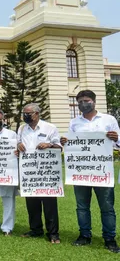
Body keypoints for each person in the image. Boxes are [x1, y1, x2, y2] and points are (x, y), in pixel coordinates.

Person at [60, 90, 120, 253]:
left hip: (102, 172)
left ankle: (109, 238)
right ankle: (84, 235)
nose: (82, 104)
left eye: (86, 100)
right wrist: (65, 141)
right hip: (81, 172)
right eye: (79, 101)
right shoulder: (74, 122)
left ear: (94, 101)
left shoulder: (109, 119)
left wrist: (116, 138)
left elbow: (119, 142)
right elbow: (72, 145)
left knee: (107, 206)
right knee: (81, 206)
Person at [17, 103, 61, 244]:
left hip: (46, 173)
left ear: (37, 114)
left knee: (49, 205)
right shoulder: (22, 128)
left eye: (28, 113)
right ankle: (35, 229)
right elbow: (18, 144)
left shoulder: (50, 128)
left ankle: (53, 233)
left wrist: (48, 145)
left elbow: (59, 147)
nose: (26, 116)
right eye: (24, 113)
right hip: (30, 173)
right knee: (32, 204)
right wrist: (18, 146)